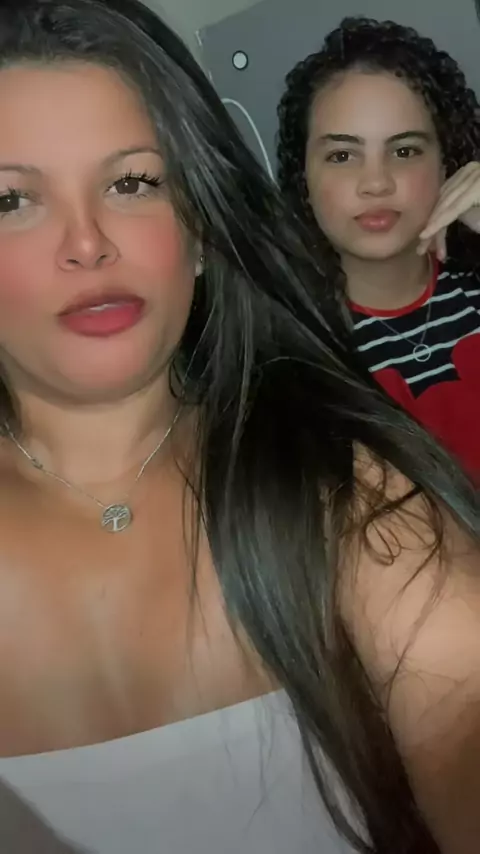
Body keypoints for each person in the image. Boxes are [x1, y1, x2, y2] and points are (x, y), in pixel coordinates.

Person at [0, 2, 478, 853]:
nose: (87, 243)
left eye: (132, 183)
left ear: (201, 228)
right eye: (10, 199)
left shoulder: (351, 491)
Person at [277, 17, 480, 482]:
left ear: (447, 163)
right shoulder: (285, 349)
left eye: (404, 151)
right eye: (342, 155)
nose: (376, 183)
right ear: (304, 180)